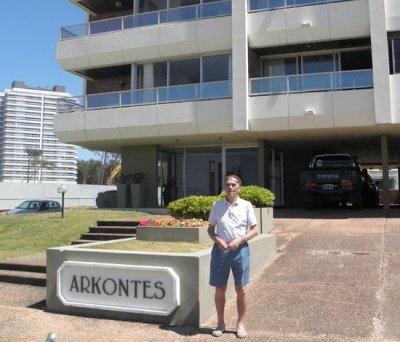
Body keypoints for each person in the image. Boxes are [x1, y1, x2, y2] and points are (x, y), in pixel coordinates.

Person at [207, 174, 258, 338]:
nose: (230, 187)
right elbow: (210, 229)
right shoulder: (217, 206)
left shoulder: (246, 205)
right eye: (228, 184)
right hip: (220, 251)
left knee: (241, 289)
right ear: (224, 187)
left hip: (240, 250)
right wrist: (216, 239)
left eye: (234, 185)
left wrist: (241, 239)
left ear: (239, 188)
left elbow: (255, 230)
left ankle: (240, 325)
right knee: (220, 288)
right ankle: (220, 323)